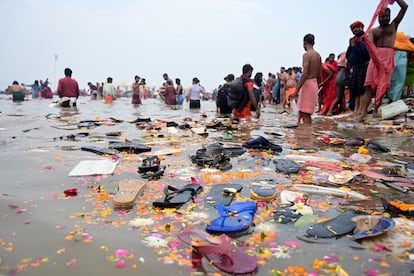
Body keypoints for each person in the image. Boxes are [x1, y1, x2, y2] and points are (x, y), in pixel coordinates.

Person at [358, 0, 408, 122]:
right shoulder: (374, 31)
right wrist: (366, 38)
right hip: (375, 59)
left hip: (388, 58)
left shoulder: (394, 25)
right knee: (369, 86)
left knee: (383, 86)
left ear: (389, 16)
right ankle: (363, 112)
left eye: (386, 16)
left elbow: (405, 6)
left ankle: (375, 110)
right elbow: (369, 42)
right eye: (382, 16)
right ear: (378, 16)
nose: (384, 18)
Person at [289, 33, 322, 125]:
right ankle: (306, 134)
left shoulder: (307, 55)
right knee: (307, 112)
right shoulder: (318, 56)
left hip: (307, 84)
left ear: (304, 43)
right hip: (314, 84)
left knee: (304, 112)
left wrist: (296, 91)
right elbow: (319, 74)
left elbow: (305, 74)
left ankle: (305, 136)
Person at [345, 21, 371, 116]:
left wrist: (354, 45)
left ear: (361, 28)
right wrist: (351, 46)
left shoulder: (365, 39)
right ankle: (356, 109)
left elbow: (363, 52)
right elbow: (348, 55)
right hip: (355, 67)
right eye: (353, 28)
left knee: (362, 89)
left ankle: (361, 109)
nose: (355, 30)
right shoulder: (354, 40)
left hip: (364, 66)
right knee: (355, 90)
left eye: (357, 27)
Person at [386, 32, 414, 101]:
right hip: (402, 64)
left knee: (391, 81)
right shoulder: (407, 47)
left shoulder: (392, 47)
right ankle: (395, 100)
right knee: (399, 83)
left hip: (392, 63)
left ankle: (391, 98)